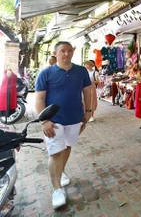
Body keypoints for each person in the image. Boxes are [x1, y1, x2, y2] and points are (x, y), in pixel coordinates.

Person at [35, 41, 93, 210]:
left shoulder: (81, 71)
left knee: (67, 147)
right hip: (54, 121)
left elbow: (87, 91)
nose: (66, 54)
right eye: (62, 51)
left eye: (69, 50)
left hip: (75, 118)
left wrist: (88, 111)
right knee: (55, 152)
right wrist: (44, 120)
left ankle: (61, 173)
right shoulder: (46, 74)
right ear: (56, 53)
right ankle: (56, 190)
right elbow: (39, 99)